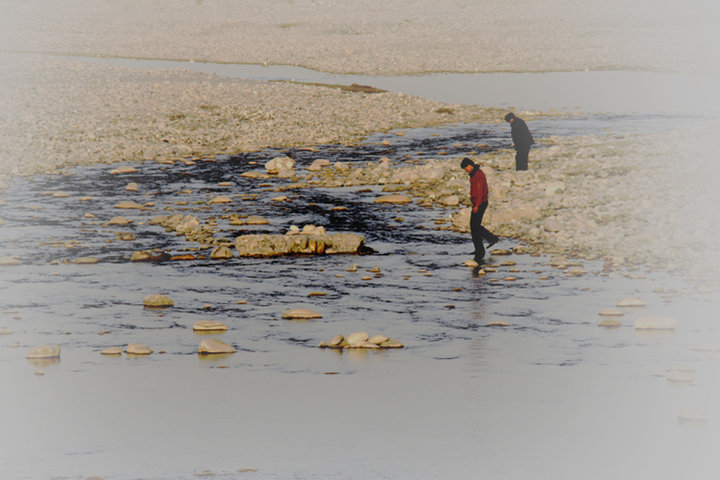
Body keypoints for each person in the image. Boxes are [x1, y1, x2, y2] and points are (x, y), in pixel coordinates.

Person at [460, 157, 499, 262]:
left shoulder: (477, 175)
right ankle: (480, 249)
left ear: (470, 165)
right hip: (479, 202)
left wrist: (476, 205)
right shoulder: (475, 173)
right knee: (474, 227)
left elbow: (480, 191)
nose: (466, 170)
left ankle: (489, 241)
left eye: (465, 168)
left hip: (480, 203)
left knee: (474, 226)